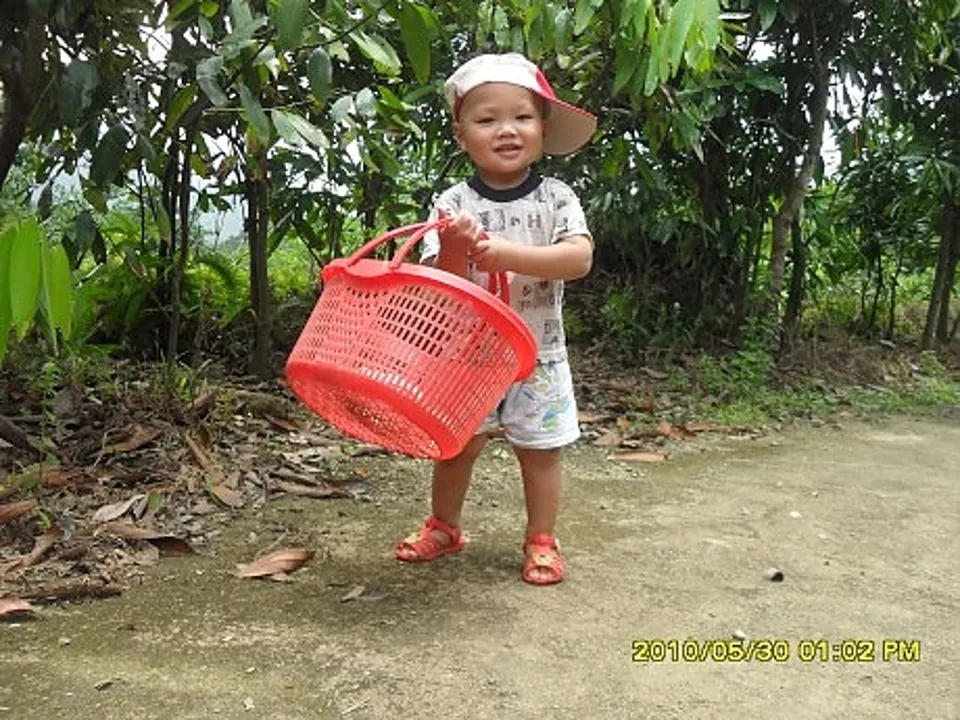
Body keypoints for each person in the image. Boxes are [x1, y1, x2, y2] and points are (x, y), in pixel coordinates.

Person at [394, 53, 597, 585]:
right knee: (456, 446)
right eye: (487, 120)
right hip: (468, 357)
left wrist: (506, 254)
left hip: (538, 355)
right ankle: (445, 525)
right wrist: (456, 247)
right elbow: (441, 280)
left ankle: (541, 539)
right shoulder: (453, 203)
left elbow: (578, 258)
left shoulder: (557, 198)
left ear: (543, 128)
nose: (506, 130)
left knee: (541, 452)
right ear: (461, 136)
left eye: (522, 117)